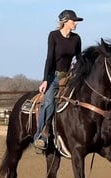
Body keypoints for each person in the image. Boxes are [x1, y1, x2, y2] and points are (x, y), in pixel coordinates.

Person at [34, 10, 83, 150]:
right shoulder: (53, 36)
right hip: (54, 77)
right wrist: (45, 80)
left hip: (69, 77)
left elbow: (79, 59)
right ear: (65, 21)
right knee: (49, 102)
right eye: (73, 21)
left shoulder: (76, 38)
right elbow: (49, 58)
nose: (76, 23)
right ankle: (40, 136)